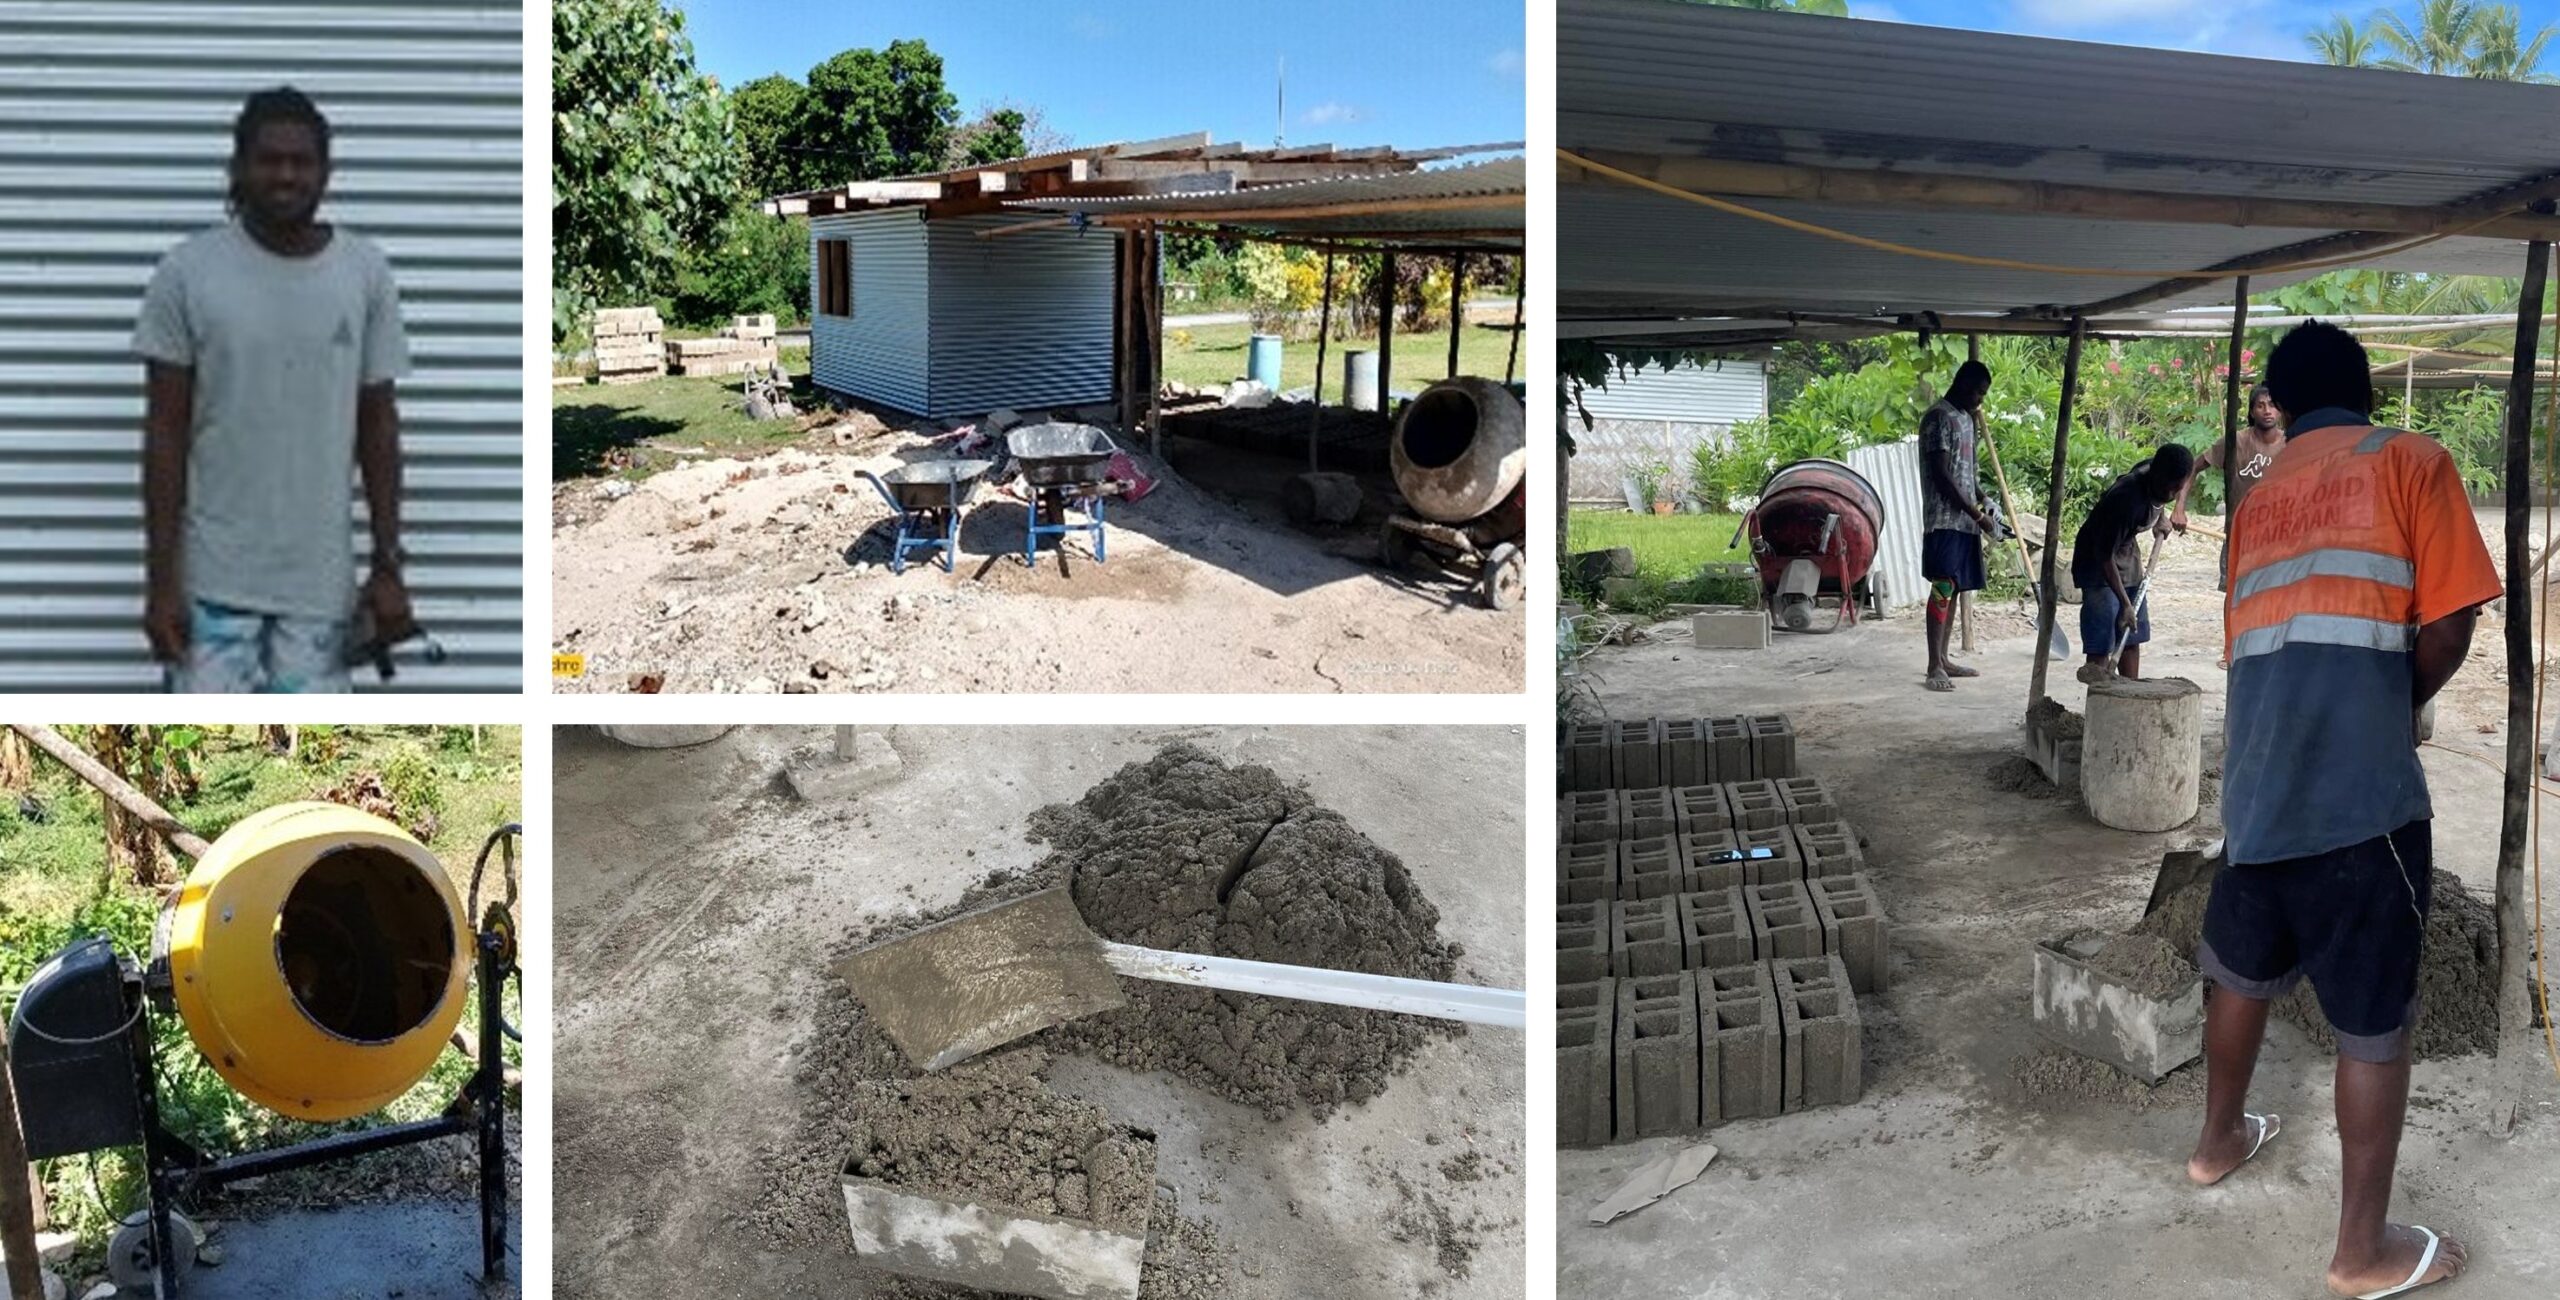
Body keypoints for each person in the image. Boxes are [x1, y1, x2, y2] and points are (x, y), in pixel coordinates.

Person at [2187, 321, 2495, 1299]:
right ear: (2361, 389)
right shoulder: (2410, 461)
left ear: (2277, 405)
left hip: (2256, 788)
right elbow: (2451, 621)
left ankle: (2216, 1141)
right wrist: (2394, 707)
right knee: (2371, 1026)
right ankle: (2360, 1251)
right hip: (2361, 803)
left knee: (2241, 972)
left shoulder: (2255, 500)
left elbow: (2250, 648)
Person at [133, 87, 411, 693]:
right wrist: (160, 583)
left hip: (320, 595)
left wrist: (388, 566)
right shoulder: (187, 274)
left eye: (300, 160)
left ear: (325, 171)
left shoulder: (363, 273)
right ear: (238, 167)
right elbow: (164, 433)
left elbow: (378, 426)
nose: (286, 174)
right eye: (269, 159)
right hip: (210, 591)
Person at [2070, 446, 2192, 684]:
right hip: (2096, 559)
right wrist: (2125, 604)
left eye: (2177, 488)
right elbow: (2104, 555)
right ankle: (2101, 697)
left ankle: (2129, 692)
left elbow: (2162, 497)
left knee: (2130, 633)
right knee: (2102, 635)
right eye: (2167, 488)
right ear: (2156, 475)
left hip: (2125, 551)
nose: (2172, 493)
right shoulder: (2126, 500)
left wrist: (2160, 517)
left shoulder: (2156, 470)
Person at [1917, 360, 1995, 692]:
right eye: (1978, 392)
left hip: (1964, 521)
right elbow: (1943, 476)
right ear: (1963, 384)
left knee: (1954, 587)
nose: (1980, 400)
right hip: (1944, 520)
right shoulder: (1938, 417)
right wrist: (1977, 515)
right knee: (1943, 586)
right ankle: (1934, 665)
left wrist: (1984, 498)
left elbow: (1966, 472)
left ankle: (1944, 659)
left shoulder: (1965, 419)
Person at [2171, 383, 2288, 591]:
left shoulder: (2290, 444)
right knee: (2236, 598)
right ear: (2251, 411)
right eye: (2260, 405)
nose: (2267, 410)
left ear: (2280, 409)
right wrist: (2179, 508)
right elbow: (2193, 468)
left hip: (2277, 537)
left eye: (2272, 405)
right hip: (2239, 536)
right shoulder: (2236, 442)